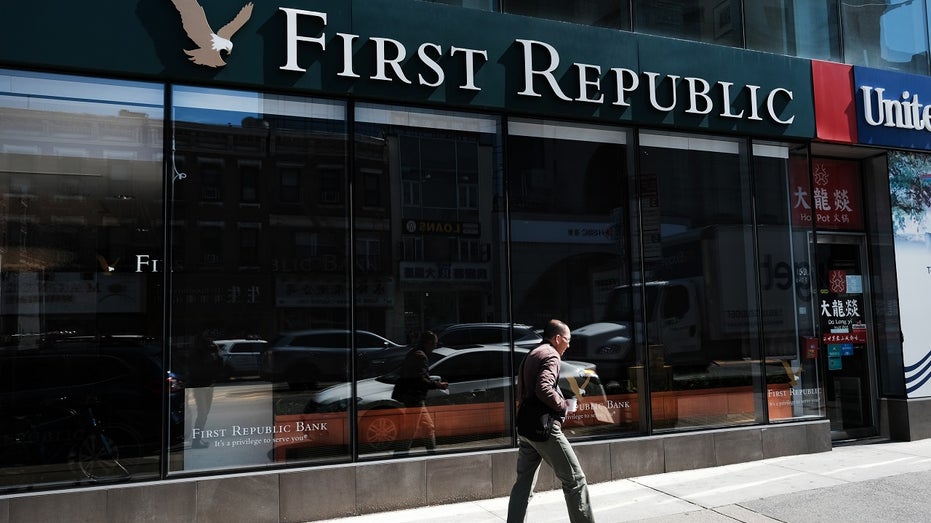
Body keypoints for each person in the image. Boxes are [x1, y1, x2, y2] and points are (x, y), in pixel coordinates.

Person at [507, 319, 595, 523]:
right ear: (557, 338)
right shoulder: (551, 355)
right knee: (575, 480)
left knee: (524, 485)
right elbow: (544, 388)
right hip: (544, 429)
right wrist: (563, 404)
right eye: (567, 340)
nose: (569, 345)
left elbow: (526, 391)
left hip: (527, 428)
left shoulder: (533, 353)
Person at [391, 331, 448, 455]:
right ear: (428, 343)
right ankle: (399, 457)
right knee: (410, 431)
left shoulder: (414, 352)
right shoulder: (420, 356)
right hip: (414, 398)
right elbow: (420, 381)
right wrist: (439, 385)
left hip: (414, 398)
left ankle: (432, 455)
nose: (435, 347)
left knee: (428, 428)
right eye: (434, 344)